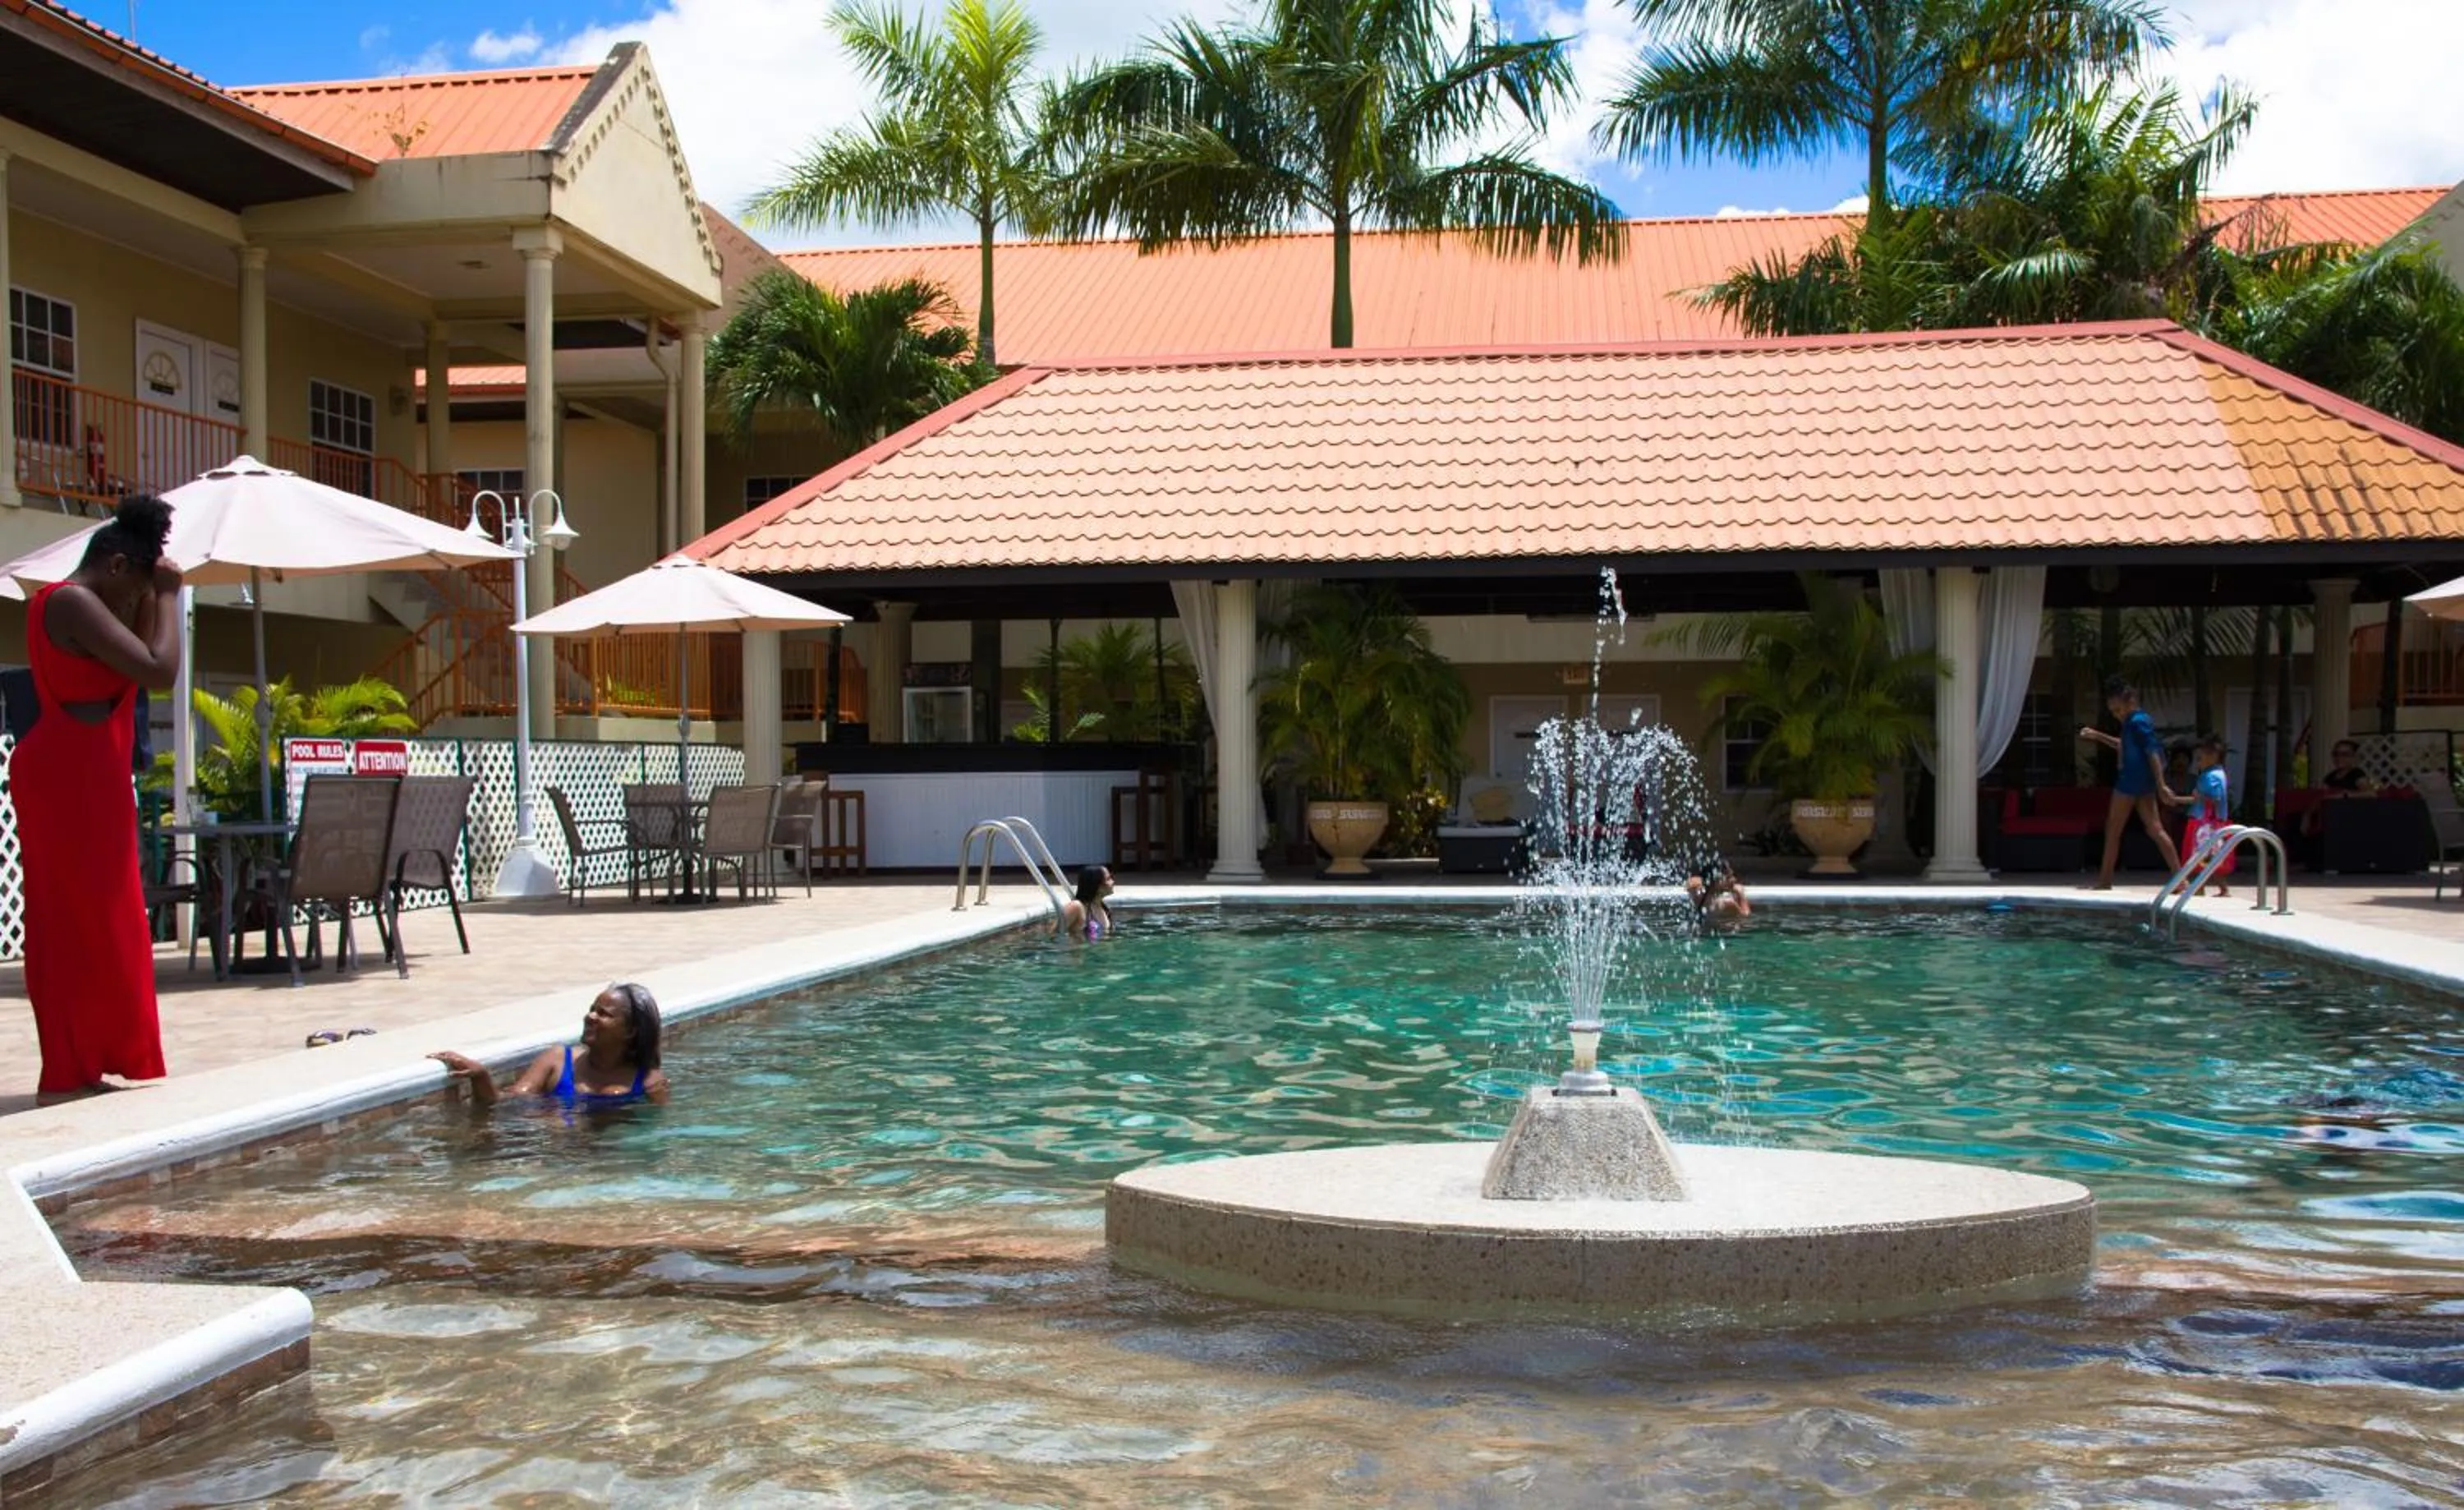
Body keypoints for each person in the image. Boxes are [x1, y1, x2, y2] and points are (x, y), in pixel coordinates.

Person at [13, 495, 183, 1103]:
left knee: (111, 926)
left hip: (94, 776)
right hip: (64, 777)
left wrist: (149, 593)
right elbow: (161, 671)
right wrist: (168, 595)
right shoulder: (69, 602)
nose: (134, 601)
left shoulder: (95, 605)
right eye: (132, 587)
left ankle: (103, 1057)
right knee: (69, 925)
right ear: (115, 567)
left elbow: (143, 666)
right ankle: (68, 1067)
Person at [430, 983, 669, 1107]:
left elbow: (652, 1138)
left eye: (604, 1014)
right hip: (551, 1154)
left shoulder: (649, 1082)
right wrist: (481, 1077)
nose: (591, 1017)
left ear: (630, 1031)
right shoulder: (557, 1061)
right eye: (591, 1009)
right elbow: (505, 1106)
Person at [2078, 675, 2183, 890]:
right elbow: (2123, 746)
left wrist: (2161, 783)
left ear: (2130, 702)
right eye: (2113, 712)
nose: (2118, 715)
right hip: (2142, 783)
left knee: (2114, 830)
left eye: (2119, 709)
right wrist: (2097, 736)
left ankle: (2105, 880)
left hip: (2130, 782)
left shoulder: (2137, 721)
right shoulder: (2133, 722)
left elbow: (2153, 751)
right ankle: (2181, 880)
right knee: (2155, 829)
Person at [2172, 735, 2234, 897]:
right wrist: (2176, 799)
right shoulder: (2211, 774)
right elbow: (2198, 798)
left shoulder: (2213, 776)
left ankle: (2201, 888)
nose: (2197, 762)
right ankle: (2209, 888)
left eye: (2200, 758)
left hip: (2207, 824)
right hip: (2205, 822)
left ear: (2213, 756)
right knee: (2206, 856)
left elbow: (2214, 798)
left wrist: (2198, 797)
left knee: (2202, 856)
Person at [2301, 739, 2378, 840]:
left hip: (2350, 820)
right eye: (2336, 754)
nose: (2339, 758)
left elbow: (2371, 794)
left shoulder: (2356, 774)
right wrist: (2307, 815)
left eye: (2345, 754)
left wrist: (2344, 795)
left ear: (2354, 757)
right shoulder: (2330, 777)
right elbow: (2321, 797)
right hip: (2330, 819)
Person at [1686, 860, 1751, 926]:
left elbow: (1691, 883)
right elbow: (1745, 917)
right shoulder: (1727, 903)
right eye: (1729, 877)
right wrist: (1741, 894)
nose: (1734, 880)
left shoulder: (1698, 897)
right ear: (1717, 881)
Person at [1058, 865, 1115, 940]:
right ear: (1096, 884)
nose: (1113, 882)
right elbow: (1054, 934)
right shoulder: (1077, 907)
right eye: (1108, 879)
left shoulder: (1104, 908)